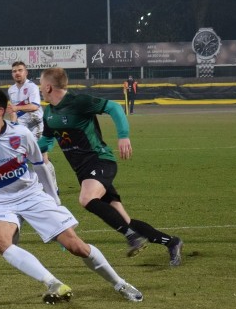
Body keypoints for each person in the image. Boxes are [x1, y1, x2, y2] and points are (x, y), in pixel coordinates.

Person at [0, 86, 144, 303]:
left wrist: (55, 201)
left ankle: (120, 283)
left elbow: (41, 167)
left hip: (32, 195)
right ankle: (53, 283)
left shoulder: (21, 134)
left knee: (76, 246)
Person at [38, 66, 184, 265]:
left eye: (40, 84)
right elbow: (46, 142)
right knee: (125, 220)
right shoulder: (49, 113)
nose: (38, 88)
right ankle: (172, 242)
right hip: (83, 171)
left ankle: (131, 237)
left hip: (100, 161)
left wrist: (123, 136)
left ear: (47, 87)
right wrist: (21, 152)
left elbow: (113, 107)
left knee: (86, 198)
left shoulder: (78, 101)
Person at [7, 61, 57, 188]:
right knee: (24, 158)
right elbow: (13, 110)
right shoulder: (11, 90)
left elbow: (35, 106)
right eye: (14, 71)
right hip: (22, 129)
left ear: (26, 72)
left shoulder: (32, 87)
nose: (17, 73)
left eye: (20, 70)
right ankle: (34, 186)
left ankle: (52, 187)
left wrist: (16, 107)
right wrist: (13, 128)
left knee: (41, 158)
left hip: (37, 126)